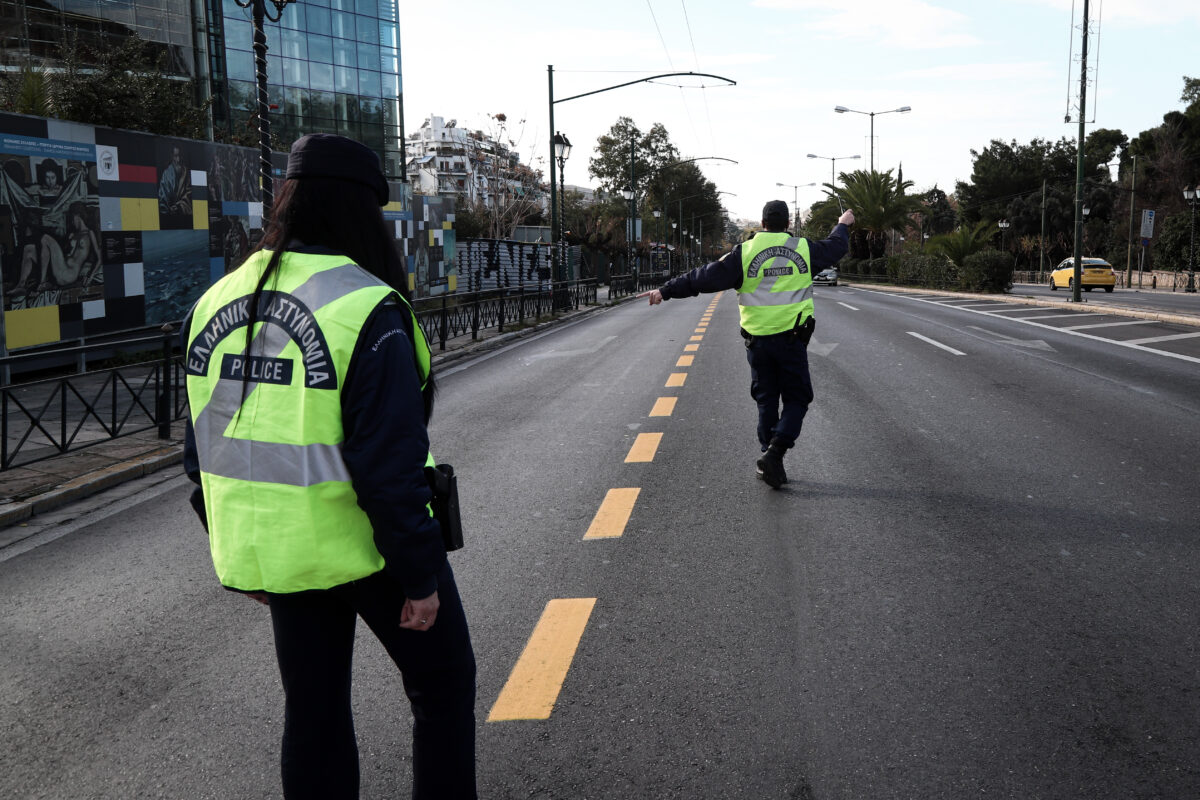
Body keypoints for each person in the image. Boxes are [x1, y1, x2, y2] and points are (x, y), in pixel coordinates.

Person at [182, 133, 476, 799]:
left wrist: (244, 555)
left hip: (283, 556)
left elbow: (201, 453)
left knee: (313, 713)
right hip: (370, 552)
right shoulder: (364, 305)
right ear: (362, 212)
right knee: (443, 688)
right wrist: (421, 576)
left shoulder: (215, 302)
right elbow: (390, 468)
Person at [639, 200, 854, 488]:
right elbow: (835, 247)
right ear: (787, 224)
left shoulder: (745, 253)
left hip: (758, 344)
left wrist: (665, 291)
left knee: (766, 400)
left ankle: (769, 457)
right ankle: (775, 453)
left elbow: (702, 278)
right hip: (792, 341)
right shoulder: (802, 248)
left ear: (762, 224)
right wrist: (843, 224)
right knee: (797, 399)